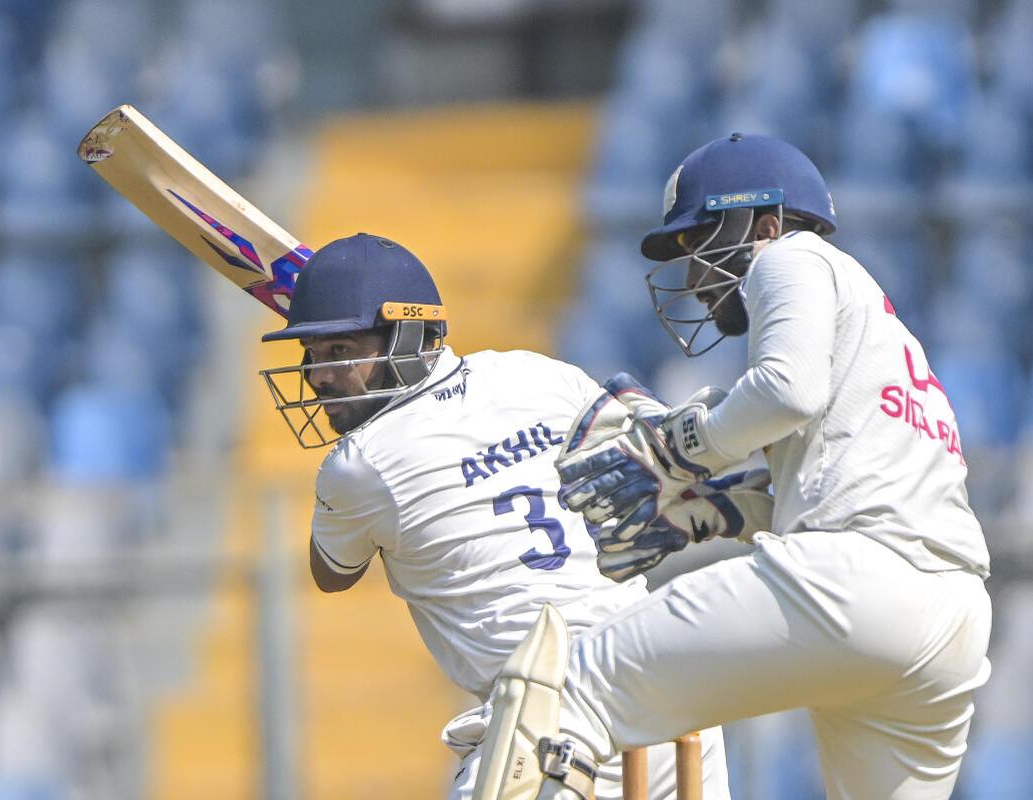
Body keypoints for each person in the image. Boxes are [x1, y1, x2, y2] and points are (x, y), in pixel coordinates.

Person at [473, 133, 993, 800]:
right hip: (952, 622)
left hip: (851, 587)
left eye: (700, 242)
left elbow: (787, 391)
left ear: (766, 224)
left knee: (565, 688)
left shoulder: (792, 257)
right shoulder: (883, 339)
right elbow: (848, 489)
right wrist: (724, 509)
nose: (694, 275)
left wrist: (680, 448)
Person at [258, 232, 757, 799]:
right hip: (666, 683)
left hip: (551, 723)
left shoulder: (358, 466)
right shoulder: (537, 373)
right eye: (313, 354)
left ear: (408, 336)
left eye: (340, 352)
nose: (318, 376)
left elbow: (333, 572)